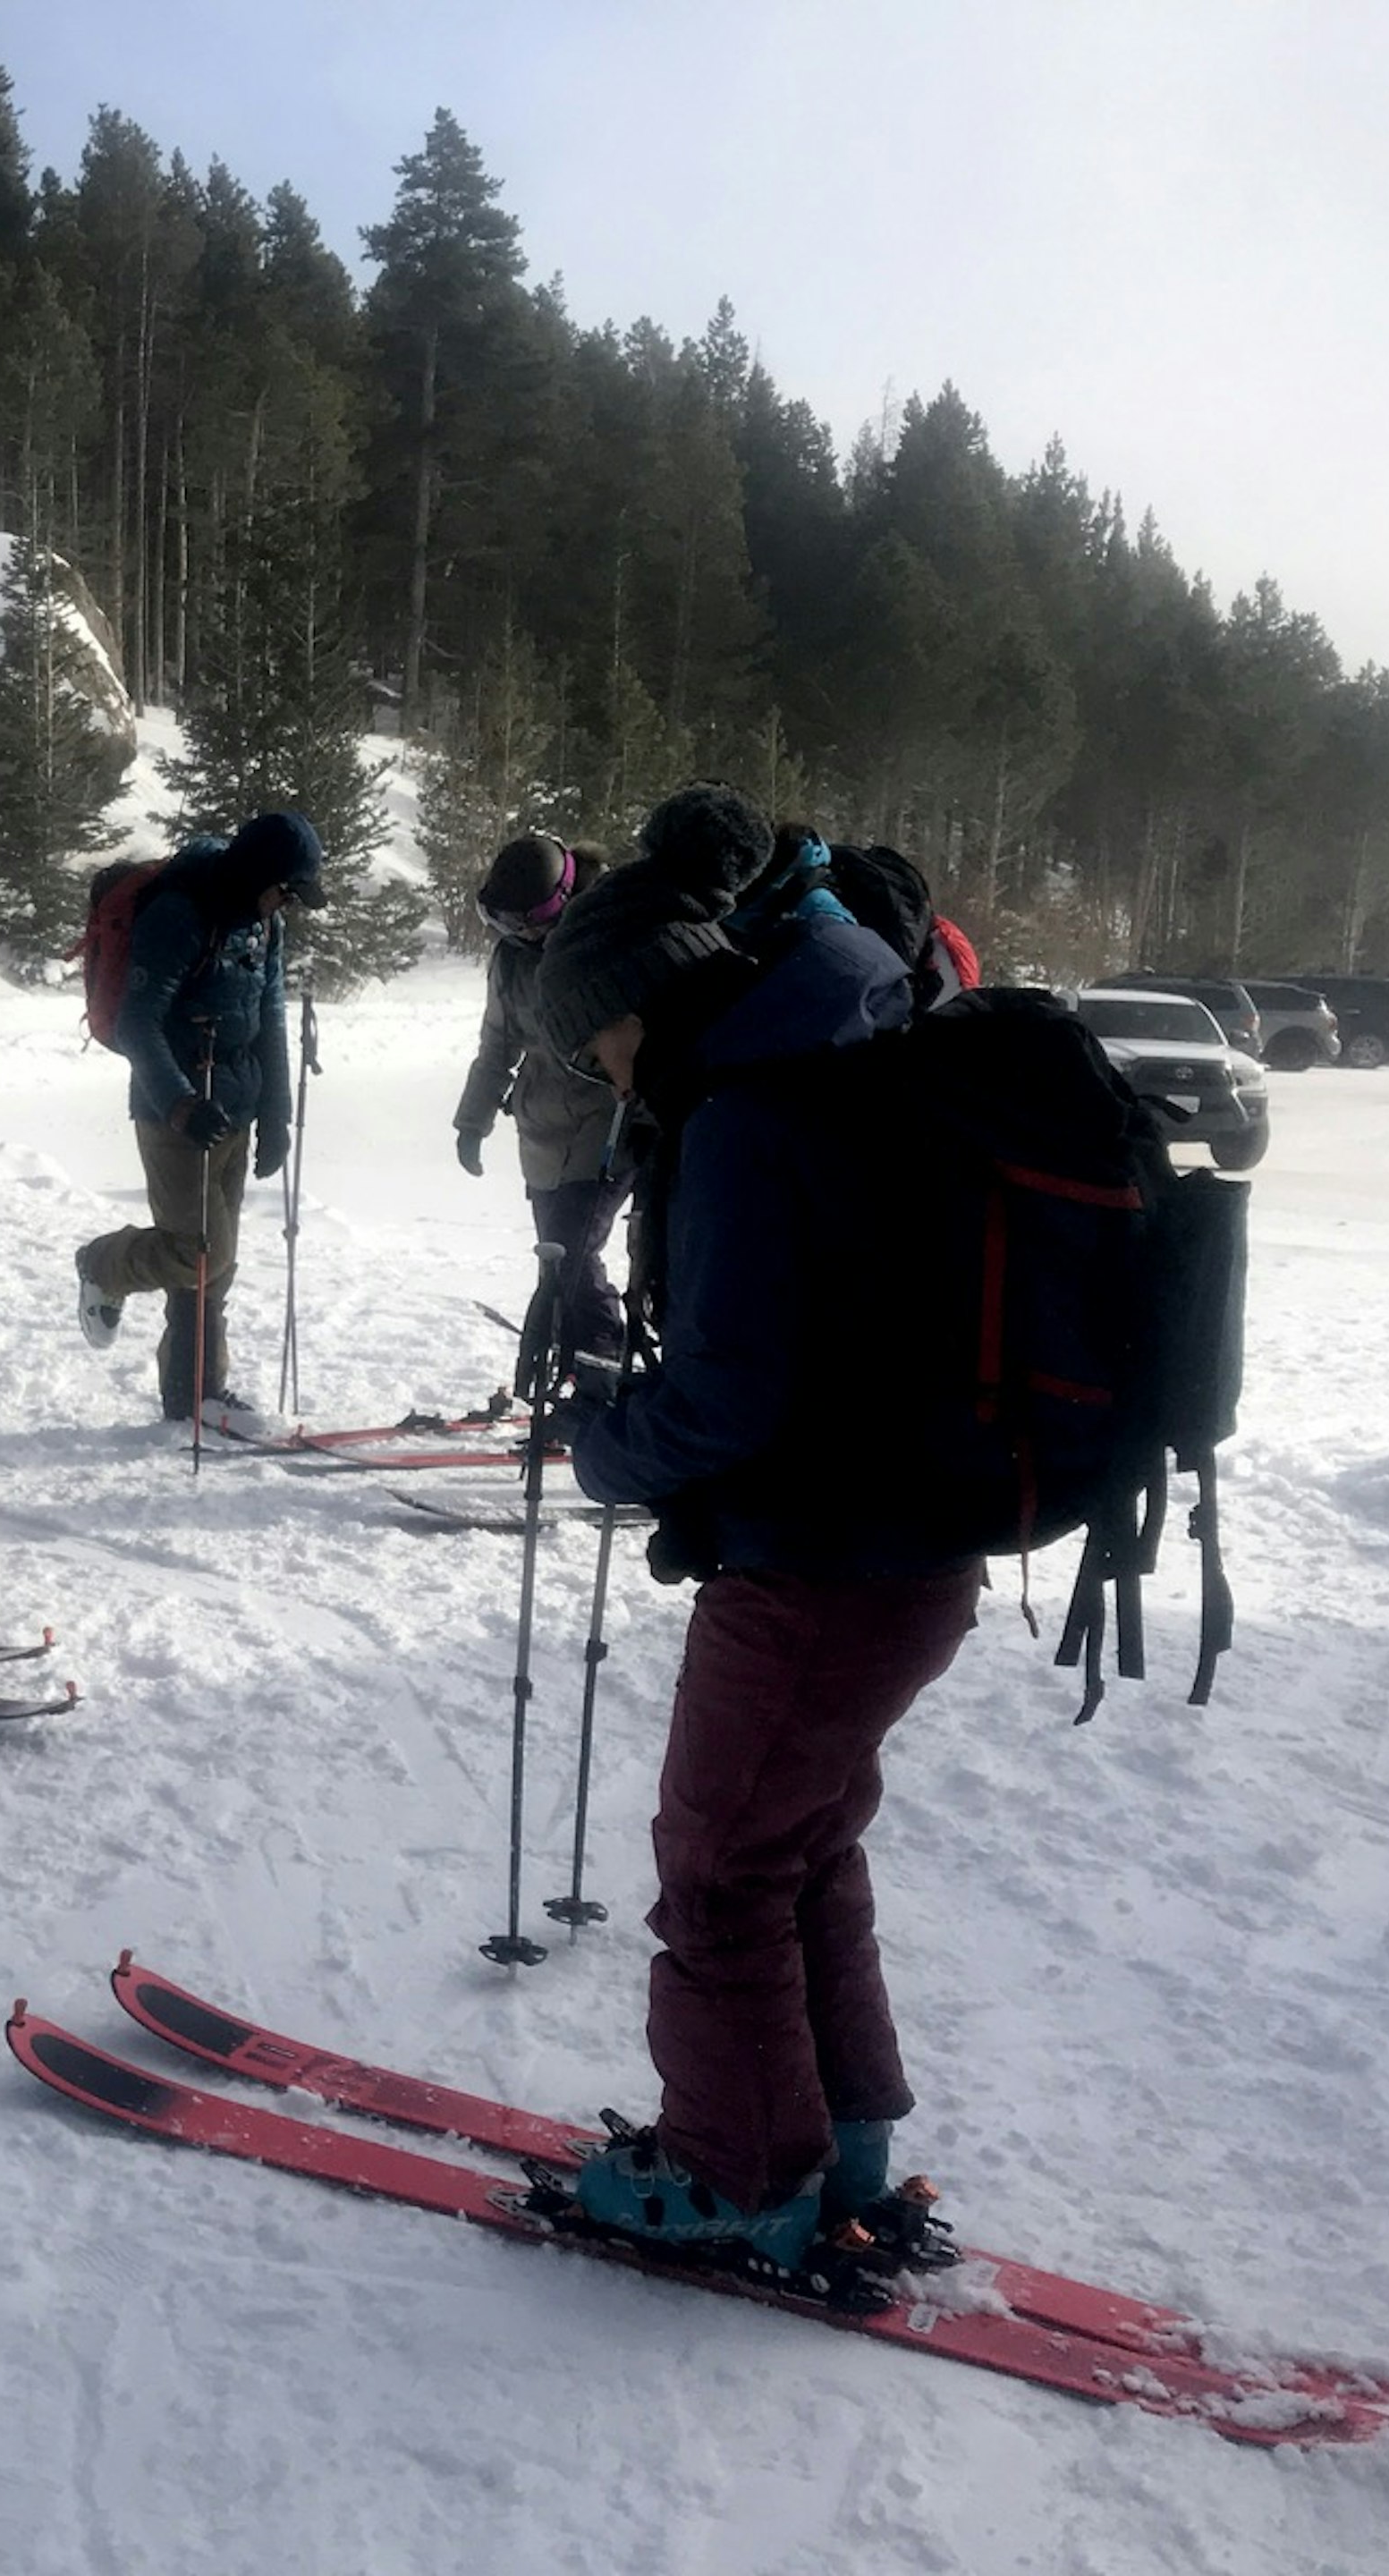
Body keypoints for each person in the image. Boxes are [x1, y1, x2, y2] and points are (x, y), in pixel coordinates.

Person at [522, 779, 978, 2272]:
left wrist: (604, 1443)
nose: (603, 1068)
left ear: (649, 997)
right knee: (798, 1852)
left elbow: (730, 1399)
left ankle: (740, 2177)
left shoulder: (746, 1118)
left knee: (719, 1872)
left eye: (599, 1036)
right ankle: (834, 2141)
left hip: (821, 1565)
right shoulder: (841, 1054)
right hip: (908, 1546)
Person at [72, 813, 326, 1424]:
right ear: (258, 875)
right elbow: (137, 1023)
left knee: (218, 1262)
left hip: (236, 1101)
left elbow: (269, 1014)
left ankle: (194, 1394)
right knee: (198, 1254)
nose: (286, 905)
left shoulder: (264, 924)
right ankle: (103, 1264)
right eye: (285, 890)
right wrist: (181, 1103)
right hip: (175, 1111)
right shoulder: (180, 915)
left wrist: (277, 1115)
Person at [452, 836, 631, 1385]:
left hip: (605, 1128)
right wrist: (472, 1120)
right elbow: (498, 1044)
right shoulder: (512, 958)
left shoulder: (607, 939)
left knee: (575, 1261)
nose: (522, 934)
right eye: (507, 923)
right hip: (543, 1134)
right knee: (556, 1263)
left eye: (533, 921)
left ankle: (600, 1374)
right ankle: (573, 1368)